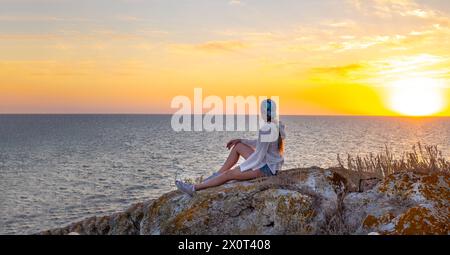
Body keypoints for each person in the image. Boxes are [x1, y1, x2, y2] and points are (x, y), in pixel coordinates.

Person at [175, 99, 286, 196]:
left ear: (263, 112)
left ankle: (194, 188)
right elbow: (260, 143)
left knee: (229, 175)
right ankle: (217, 175)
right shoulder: (277, 124)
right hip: (268, 163)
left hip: (266, 169)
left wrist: (241, 168)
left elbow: (258, 156)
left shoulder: (267, 128)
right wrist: (241, 140)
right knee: (238, 146)